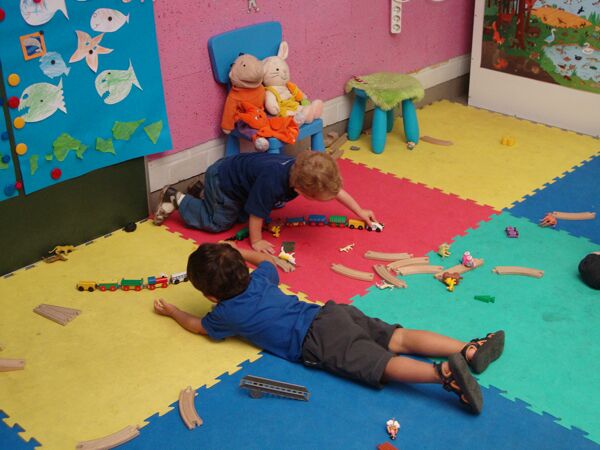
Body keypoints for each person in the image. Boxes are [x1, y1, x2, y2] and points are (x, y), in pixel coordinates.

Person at [153, 242, 505, 414]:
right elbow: (268, 261)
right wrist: (242, 252)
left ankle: (443, 374)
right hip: (332, 314)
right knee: (398, 337)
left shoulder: (225, 314)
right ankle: (468, 348)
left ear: (210, 296)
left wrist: (172, 311)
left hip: (316, 341)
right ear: (244, 269)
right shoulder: (261, 278)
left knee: (380, 363)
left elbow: (197, 326)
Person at [153, 150, 378, 254]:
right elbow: (257, 213)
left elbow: (335, 191)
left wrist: (359, 211)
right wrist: (257, 241)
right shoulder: (272, 183)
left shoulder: (302, 168)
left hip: (239, 179)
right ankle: (176, 198)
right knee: (218, 223)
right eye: (317, 199)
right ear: (299, 190)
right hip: (224, 182)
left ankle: (202, 194)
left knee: (243, 216)